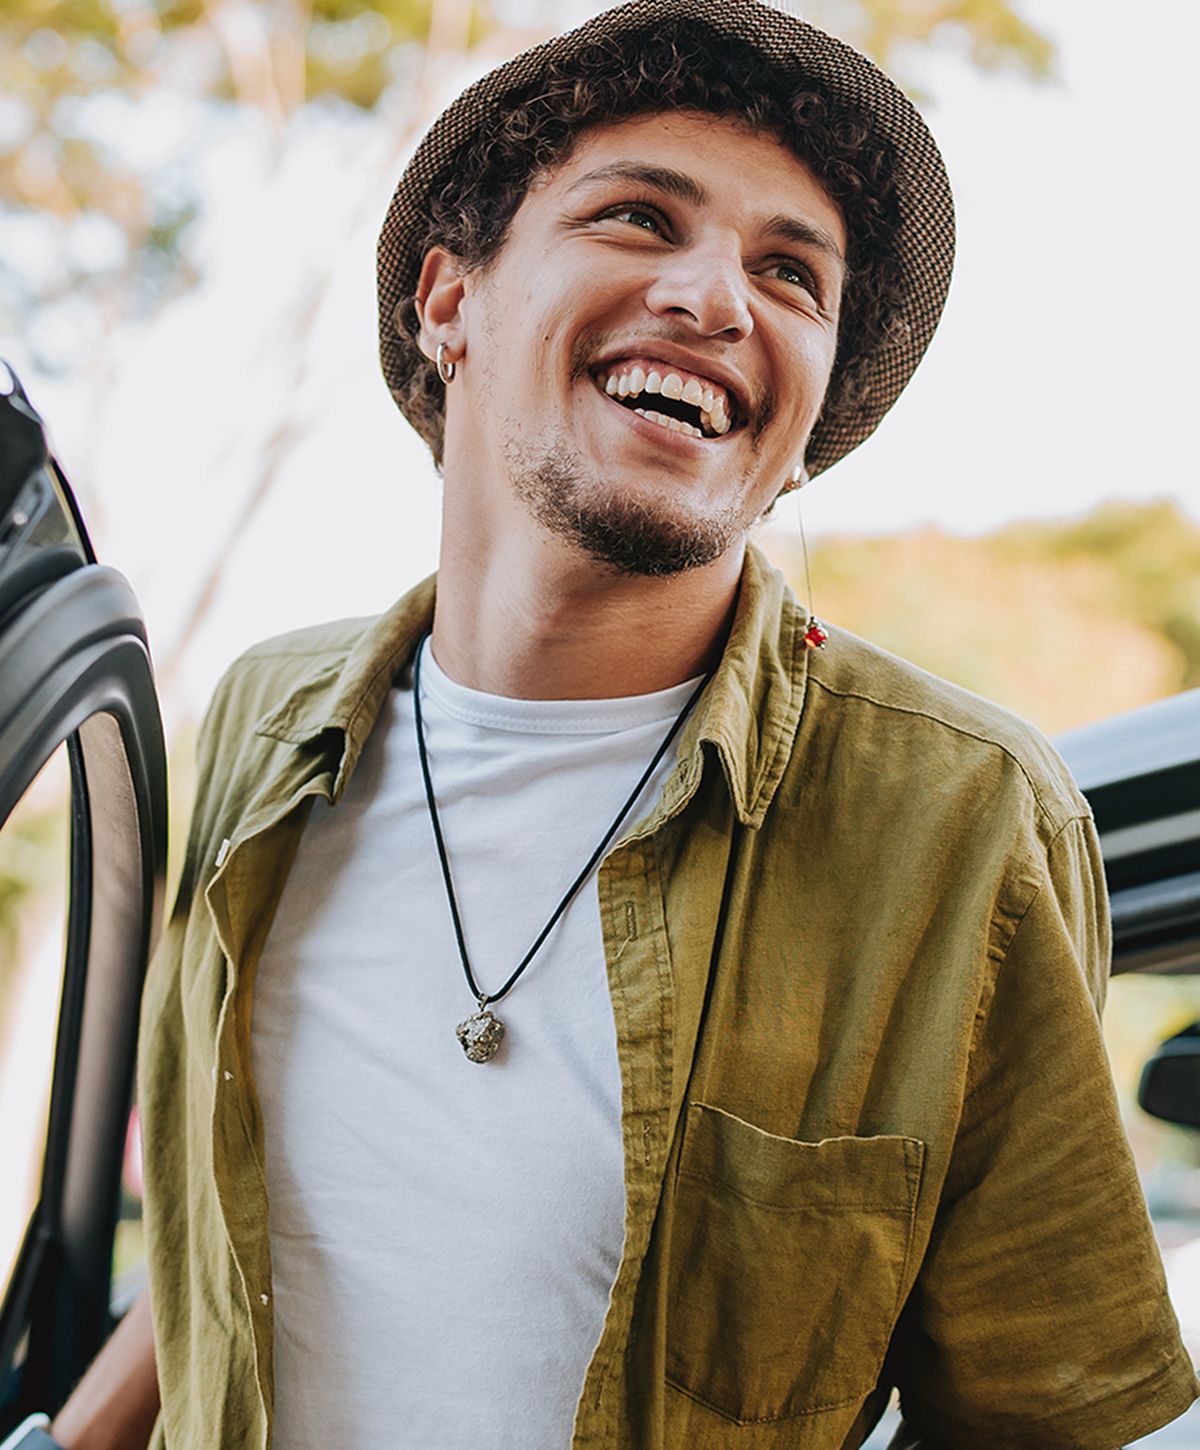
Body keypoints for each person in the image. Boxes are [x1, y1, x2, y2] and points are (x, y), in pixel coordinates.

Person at [22, 1, 1199, 1447]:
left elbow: (1048, 1418)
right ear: (448, 302)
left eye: (792, 271)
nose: (719, 297)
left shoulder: (958, 815)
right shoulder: (268, 719)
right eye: (642, 218)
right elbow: (254, 1223)